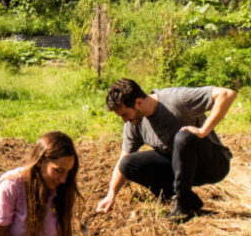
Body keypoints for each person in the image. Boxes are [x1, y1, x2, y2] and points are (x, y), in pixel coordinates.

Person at [96, 78, 235, 222]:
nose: (124, 120)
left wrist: (203, 130)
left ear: (138, 102)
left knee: (183, 137)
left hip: (212, 165)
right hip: (181, 168)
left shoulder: (176, 99)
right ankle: (183, 199)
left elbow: (227, 94)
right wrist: (111, 194)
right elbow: (123, 157)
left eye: (125, 114)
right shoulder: (133, 125)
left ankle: (182, 201)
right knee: (127, 164)